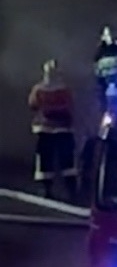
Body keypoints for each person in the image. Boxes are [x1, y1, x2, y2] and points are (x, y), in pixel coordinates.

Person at [28, 59, 77, 200]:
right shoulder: (64, 90)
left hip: (44, 129)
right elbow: (70, 105)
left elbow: (32, 105)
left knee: (45, 161)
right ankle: (71, 190)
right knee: (67, 161)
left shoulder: (38, 89)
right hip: (63, 129)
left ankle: (46, 189)